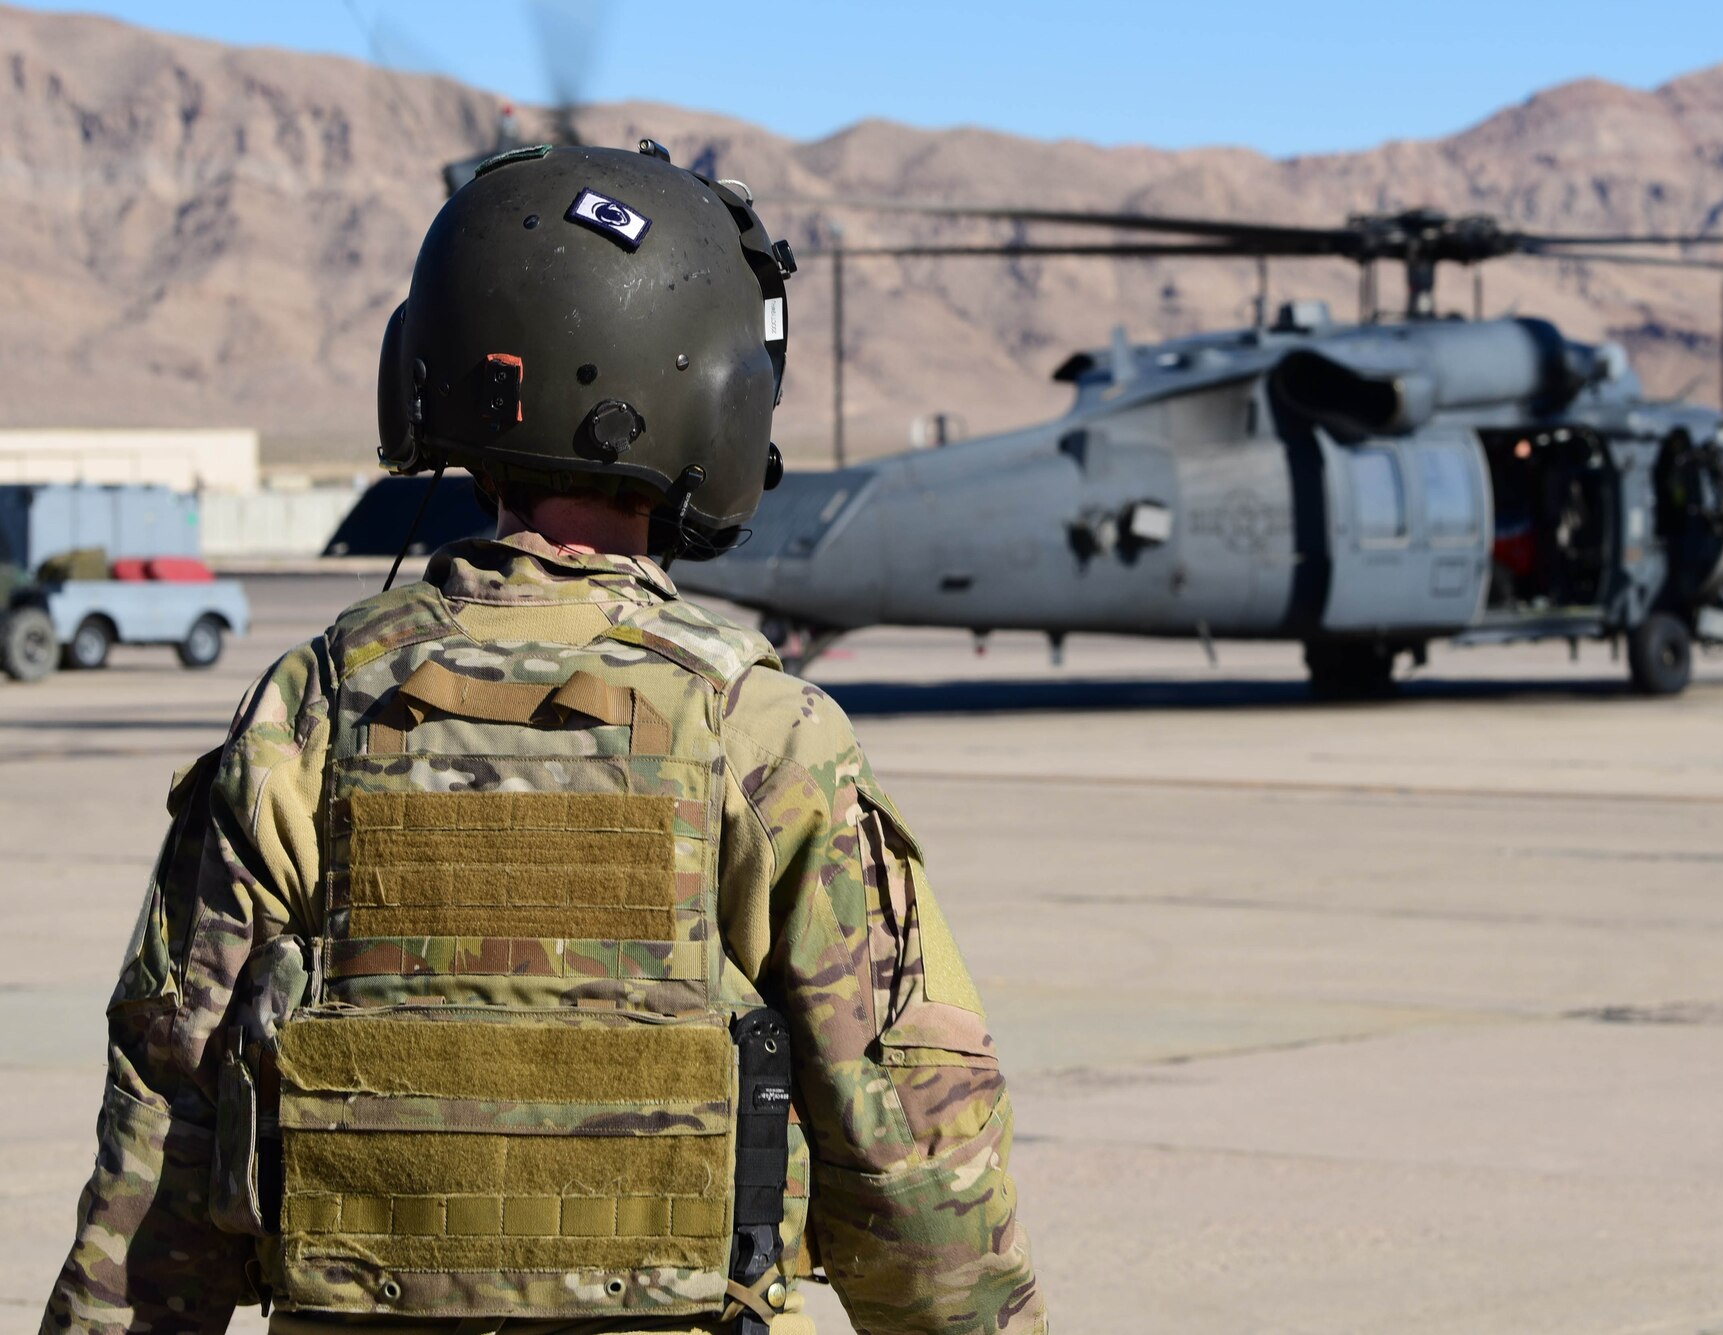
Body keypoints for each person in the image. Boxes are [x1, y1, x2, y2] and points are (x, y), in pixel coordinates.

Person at [42, 143, 1044, 1335]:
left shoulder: (310, 709)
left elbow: (164, 1133)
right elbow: (911, 1154)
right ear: (710, 404)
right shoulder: (760, 730)